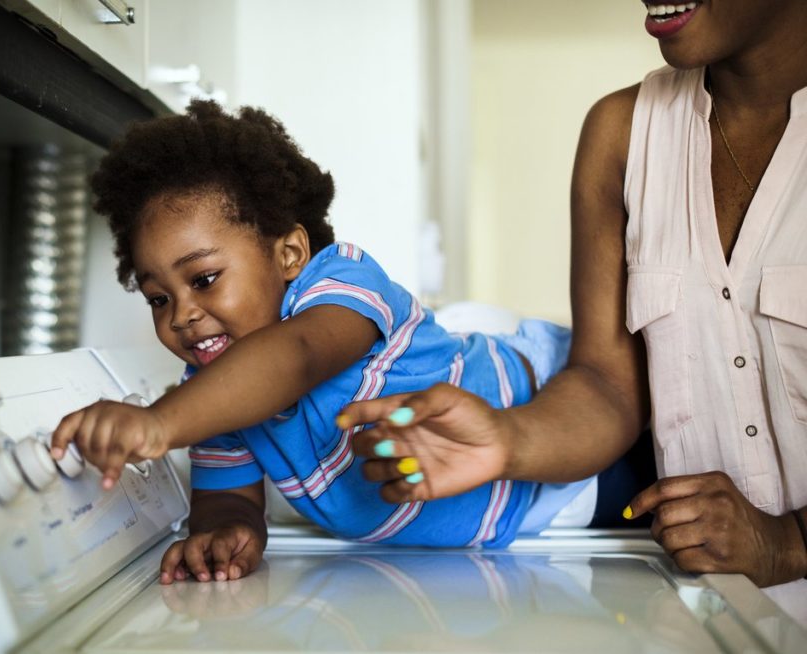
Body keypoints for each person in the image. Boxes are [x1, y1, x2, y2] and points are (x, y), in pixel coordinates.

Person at [340, 0, 807, 624]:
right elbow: (608, 385)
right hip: (701, 613)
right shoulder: (622, 132)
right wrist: (505, 440)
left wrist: (789, 542)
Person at [50, 101, 627, 586]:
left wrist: (158, 423)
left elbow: (296, 357)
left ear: (291, 255)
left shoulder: (341, 284)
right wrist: (227, 532)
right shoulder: (210, 399)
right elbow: (229, 498)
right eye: (158, 298)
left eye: (203, 279)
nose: (182, 316)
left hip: (568, 439)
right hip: (502, 536)